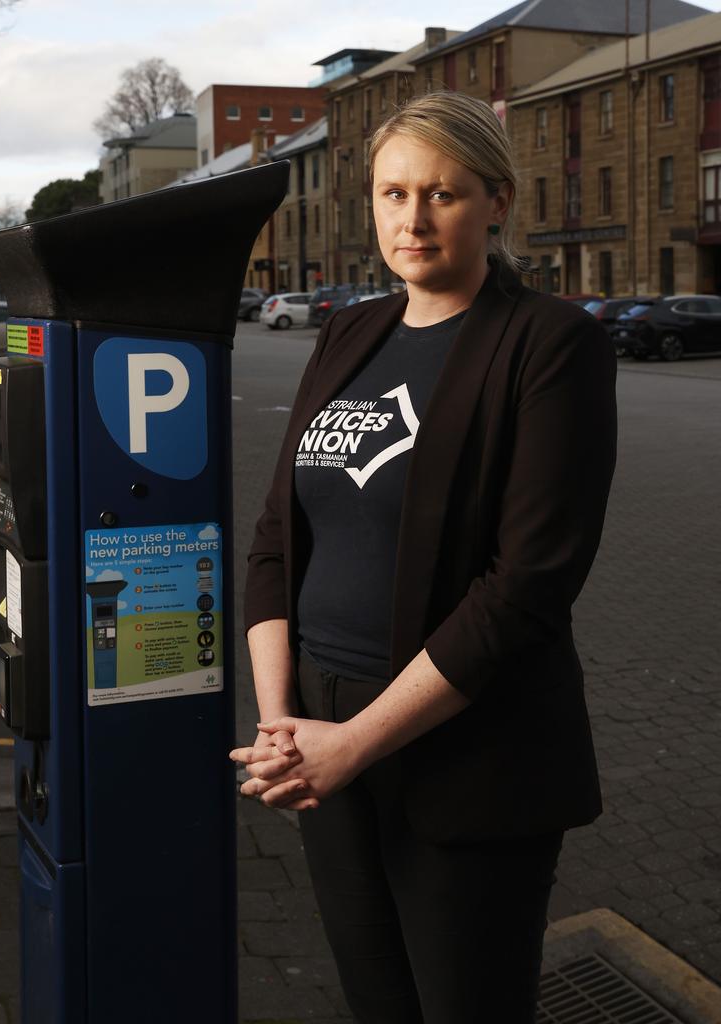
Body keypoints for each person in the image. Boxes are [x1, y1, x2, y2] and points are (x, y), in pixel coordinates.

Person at [230, 91, 617, 1023]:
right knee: (378, 1002)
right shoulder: (349, 334)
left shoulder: (548, 345)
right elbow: (279, 538)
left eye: (441, 194)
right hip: (321, 732)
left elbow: (525, 590)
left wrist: (353, 745)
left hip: (465, 751)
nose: (412, 219)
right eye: (393, 193)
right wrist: (284, 727)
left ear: (498, 202)